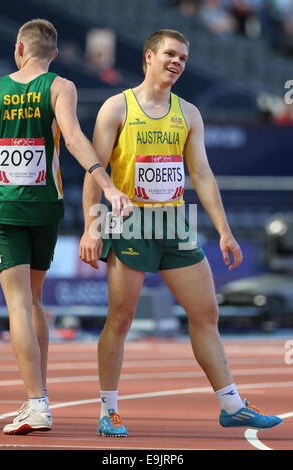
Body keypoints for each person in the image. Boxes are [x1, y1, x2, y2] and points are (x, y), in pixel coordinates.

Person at [79, 29, 282, 437]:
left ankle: (232, 406)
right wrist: (91, 227)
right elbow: (94, 172)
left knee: (206, 314)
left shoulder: (188, 112)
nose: (177, 62)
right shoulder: (116, 108)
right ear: (149, 56)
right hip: (130, 222)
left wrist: (224, 232)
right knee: (120, 319)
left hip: (175, 223)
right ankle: (109, 410)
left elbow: (202, 174)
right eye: (170, 54)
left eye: (184, 58)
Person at [0, 18, 132, 435]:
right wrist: (105, 184)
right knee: (35, 301)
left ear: (19, 48)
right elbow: (72, 137)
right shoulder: (60, 86)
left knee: (17, 305)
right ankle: (39, 396)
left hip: (4, 209)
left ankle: (37, 403)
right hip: (47, 207)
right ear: (53, 54)